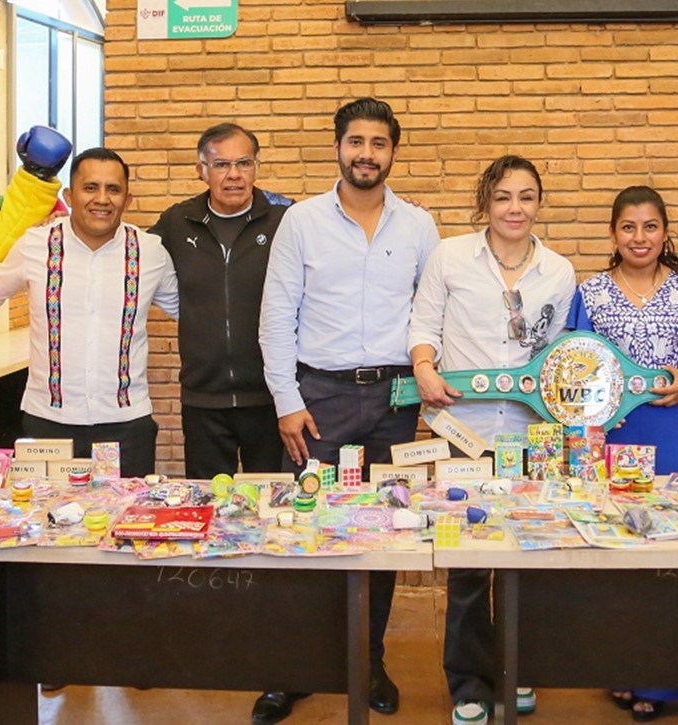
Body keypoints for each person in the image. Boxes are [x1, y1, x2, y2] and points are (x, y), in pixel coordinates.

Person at [256, 98, 439, 724]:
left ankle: (370, 661)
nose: (367, 153)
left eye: (379, 143)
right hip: (320, 399)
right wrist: (286, 401)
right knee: (306, 527)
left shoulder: (418, 225)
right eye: (356, 141)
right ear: (338, 146)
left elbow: (429, 314)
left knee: (384, 528)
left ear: (393, 151)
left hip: (395, 400)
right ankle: (294, 668)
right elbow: (277, 317)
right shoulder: (301, 222)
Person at [408, 155, 575, 725]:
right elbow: (423, 324)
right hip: (462, 433)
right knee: (469, 562)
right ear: (486, 202)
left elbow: (559, 358)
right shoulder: (450, 256)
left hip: (534, 436)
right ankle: (469, 685)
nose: (515, 208)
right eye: (504, 196)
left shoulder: (558, 270)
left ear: (538, 204)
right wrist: (424, 367)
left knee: (531, 554)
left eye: (526, 197)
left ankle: (520, 669)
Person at [568, 185, 678, 721]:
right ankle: (623, 669)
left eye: (650, 226)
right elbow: (579, 366)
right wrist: (586, 435)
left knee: (675, 550)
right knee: (618, 553)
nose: (640, 237)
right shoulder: (590, 294)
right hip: (613, 434)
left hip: (675, 428)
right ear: (613, 234)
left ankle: (665, 682)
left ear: (664, 232)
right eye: (628, 227)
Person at [0, 148, 179, 478]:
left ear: (128, 198)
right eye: (90, 187)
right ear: (70, 195)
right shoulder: (35, 245)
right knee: (41, 523)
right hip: (48, 425)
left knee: (127, 526)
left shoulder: (151, 252)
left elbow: (189, 310)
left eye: (114, 189)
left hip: (126, 426)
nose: (102, 199)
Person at [149, 123, 290, 479]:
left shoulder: (285, 218)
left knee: (273, 500)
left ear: (256, 167)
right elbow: (125, 253)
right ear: (202, 170)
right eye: (221, 165)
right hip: (202, 399)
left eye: (244, 164)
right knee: (210, 502)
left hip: (270, 396)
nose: (234, 175)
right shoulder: (178, 221)